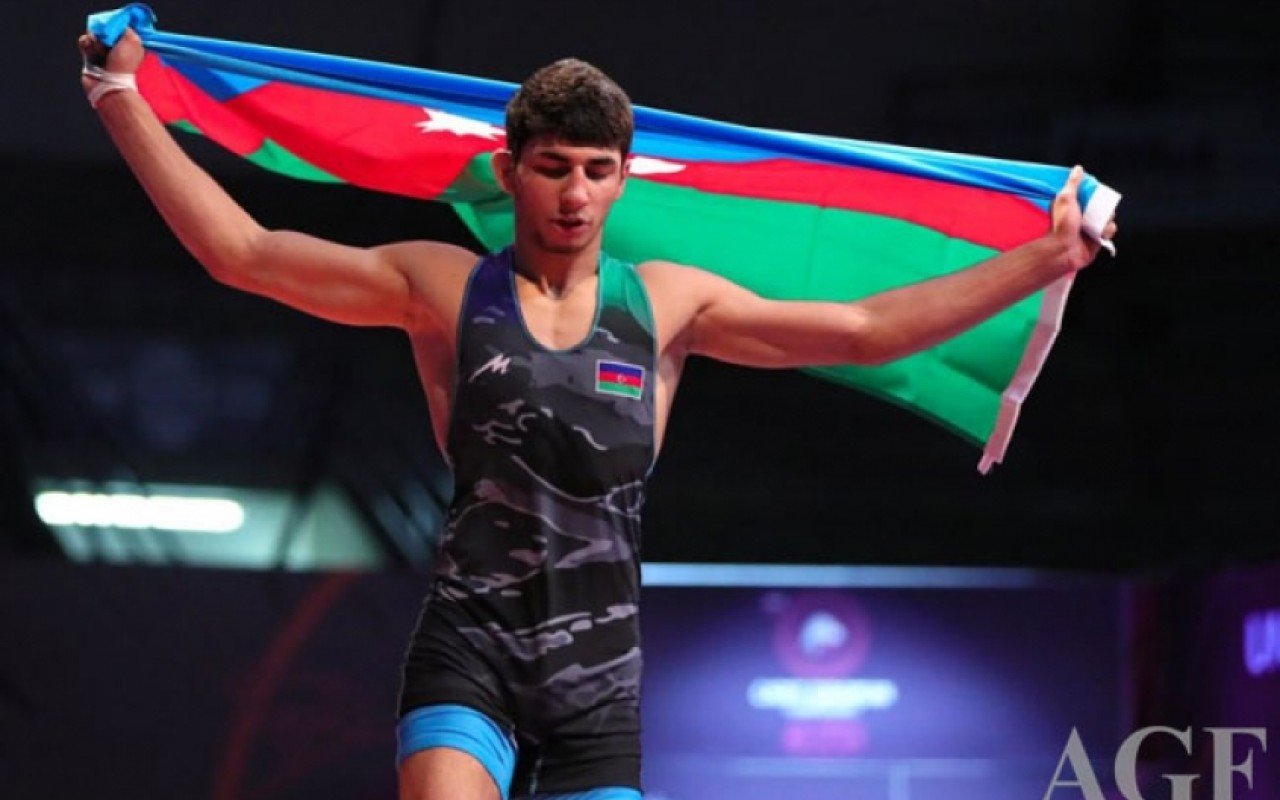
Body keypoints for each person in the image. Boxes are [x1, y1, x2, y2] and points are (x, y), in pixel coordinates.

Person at [78, 25, 1117, 800]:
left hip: (598, 685)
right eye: (552, 168)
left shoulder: (667, 305)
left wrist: (1043, 258)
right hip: (469, 652)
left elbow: (863, 328)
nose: (574, 194)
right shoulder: (442, 287)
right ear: (509, 170)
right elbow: (247, 254)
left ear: (625, 179)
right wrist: (121, 94)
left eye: (596, 171)